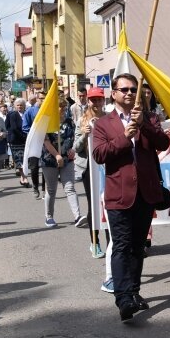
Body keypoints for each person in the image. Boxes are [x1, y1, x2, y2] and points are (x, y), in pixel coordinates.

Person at [92, 73, 170, 323]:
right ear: (113, 93)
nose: (128, 93)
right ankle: (123, 297)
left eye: (132, 89)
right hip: (119, 195)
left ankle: (134, 291)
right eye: (123, 89)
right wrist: (125, 136)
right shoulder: (103, 124)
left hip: (145, 194)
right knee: (122, 246)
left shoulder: (149, 118)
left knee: (138, 248)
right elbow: (100, 154)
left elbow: (162, 143)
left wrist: (144, 124)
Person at [74, 87, 109, 257]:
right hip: (89, 168)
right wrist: (84, 134)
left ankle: (111, 243)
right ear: (88, 101)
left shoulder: (110, 119)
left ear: (104, 101)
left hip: (107, 166)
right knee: (93, 205)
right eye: (93, 100)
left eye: (99, 99)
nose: (96, 103)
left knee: (109, 204)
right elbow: (75, 148)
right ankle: (94, 242)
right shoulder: (82, 120)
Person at [41, 97, 86, 228]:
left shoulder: (69, 122)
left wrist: (73, 150)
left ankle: (77, 216)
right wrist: (57, 155)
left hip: (67, 159)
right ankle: (49, 216)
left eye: (64, 107)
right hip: (50, 160)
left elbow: (73, 137)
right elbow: (46, 141)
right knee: (51, 189)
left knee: (70, 187)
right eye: (61, 107)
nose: (63, 110)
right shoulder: (47, 122)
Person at [23, 91, 46, 199]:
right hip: (34, 141)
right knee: (34, 166)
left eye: (44, 98)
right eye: (41, 98)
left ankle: (45, 189)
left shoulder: (48, 110)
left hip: (46, 141)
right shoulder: (30, 111)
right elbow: (25, 126)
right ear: (36, 99)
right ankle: (35, 187)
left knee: (47, 165)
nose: (43, 100)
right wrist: (34, 131)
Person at [6, 98, 29, 187]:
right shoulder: (12, 114)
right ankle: (25, 177)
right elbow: (12, 127)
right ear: (15, 106)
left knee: (25, 159)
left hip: (26, 140)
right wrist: (23, 136)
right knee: (19, 159)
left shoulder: (26, 114)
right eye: (18, 105)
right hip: (16, 140)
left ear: (24, 106)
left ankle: (22, 178)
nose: (19, 107)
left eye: (21, 105)